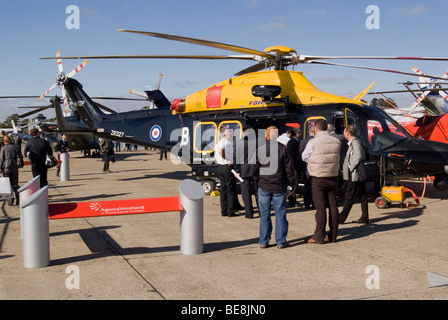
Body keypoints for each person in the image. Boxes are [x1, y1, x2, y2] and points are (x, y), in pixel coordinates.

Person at [253, 126, 296, 249]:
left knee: (265, 215)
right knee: (280, 214)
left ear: (266, 136)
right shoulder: (283, 149)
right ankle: (281, 241)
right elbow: (290, 170)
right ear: (277, 136)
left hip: (264, 186)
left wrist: (258, 183)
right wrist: (292, 185)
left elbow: (254, 169)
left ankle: (263, 241)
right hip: (279, 186)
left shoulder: (259, 150)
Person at [302, 118, 341, 244]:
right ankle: (333, 235)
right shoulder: (337, 141)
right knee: (333, 206)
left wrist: (314, 162)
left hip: (318, 177)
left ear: (316, 129)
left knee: (320, 208)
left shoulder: (313, 142)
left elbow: (304, 157)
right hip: (333, 175)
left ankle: (319, 236)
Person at [338, 125, 369, 224]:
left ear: (347, 133)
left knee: (349, 196)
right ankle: (365, 217)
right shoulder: (355, 142)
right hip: (357, 174)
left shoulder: (355, 142)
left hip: (355, 174)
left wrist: (351, 166)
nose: (343, 134)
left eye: (344, 132)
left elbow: (358, 155)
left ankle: (341, 218)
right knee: (362, 196)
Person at [234, 125, 258, 219]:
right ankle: (261, 212)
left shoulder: (240, 142)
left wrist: (237, 170)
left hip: (244, 170)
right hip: (256, 170)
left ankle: (249, 213)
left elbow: (235, 157)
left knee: (246, 193)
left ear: (244, 131)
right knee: (258, 192)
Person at [215, 128, 236, 217]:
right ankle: (230, 211)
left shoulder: (219, 142)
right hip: (226, 167)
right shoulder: (225, 143)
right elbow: (220, 151)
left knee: (223, 189)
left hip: (220, 167)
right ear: (224, 135)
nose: (232, 137)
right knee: (230, 190)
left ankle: (224, 210)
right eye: (230, 135)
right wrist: (227, 160)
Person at [0, 135, 23, 205]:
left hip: (6, 167)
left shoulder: (3, 148)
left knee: (7, 184)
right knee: (15, 183)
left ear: (4, 141)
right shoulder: (16, 147)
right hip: (14, 166)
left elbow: (1, 159)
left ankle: (10, 200)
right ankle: (18, 195)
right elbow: (20, 157)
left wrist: (0, 168)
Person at [299, 125, 315, 209]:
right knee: (314, 185)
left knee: (306, 185)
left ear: (309, 132)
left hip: (306, 166)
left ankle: (306, 203)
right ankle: (314, 203)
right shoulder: (317, 140)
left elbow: (301, 153)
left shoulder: (303, 141)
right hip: (315, 166)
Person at [286, 127, 302, 207]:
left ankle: (292, 200)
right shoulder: (294, 143)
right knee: (294, 185)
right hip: (295, 167)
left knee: (293, 185)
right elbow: (295, 157)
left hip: (293, 167)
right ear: (297, 133)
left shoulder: (291, 142)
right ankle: (292, 200)